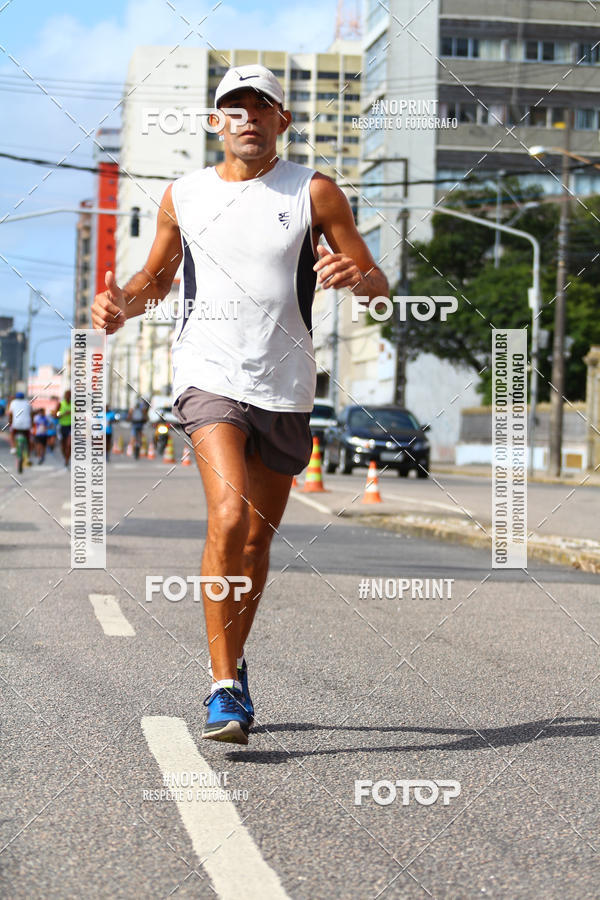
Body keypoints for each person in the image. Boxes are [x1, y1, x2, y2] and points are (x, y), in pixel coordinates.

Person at [92, 64, 388, 745]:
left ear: (283, 120)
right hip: (209, 377)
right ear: (215, 122)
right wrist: (122, 305)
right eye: (234, 107)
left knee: (257, 541)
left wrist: (359, 276)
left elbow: (379, 287)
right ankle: (223, 688)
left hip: (285, 387)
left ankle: (236, 661)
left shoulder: (314, 192)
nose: (248, 117)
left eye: (262, 107)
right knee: (227, 515)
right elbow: (154, 280)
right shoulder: (184, 195)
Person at [8, 392, 32, 463]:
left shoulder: (13, 403)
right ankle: (28, 456)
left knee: (12, 434)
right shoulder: (28, 403)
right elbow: (31, 414)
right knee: (28, 440)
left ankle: (13, 448)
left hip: (16, 425)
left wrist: (10, 422)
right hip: (26, 425)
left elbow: (10, 414)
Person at [57, 390, 72, 467]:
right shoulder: (61, 404)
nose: (68, 397)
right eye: (67, 395)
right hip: (62, 426)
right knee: (63, 445)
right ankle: (65, 456)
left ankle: (67, 459)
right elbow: (56, 414)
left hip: (71, 426)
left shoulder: (74, 405)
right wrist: (62, 414)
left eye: (70, 395)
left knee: (69, 444)